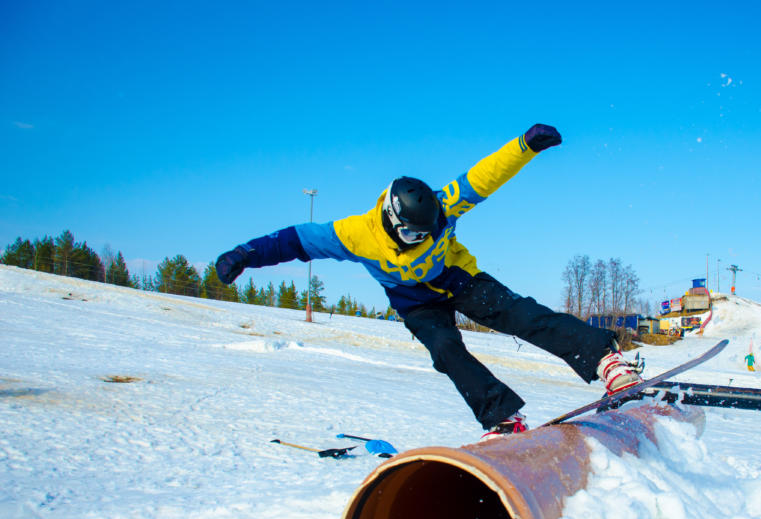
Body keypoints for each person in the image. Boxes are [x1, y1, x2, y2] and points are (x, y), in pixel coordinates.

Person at [214, 124, 641, 439]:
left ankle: (607, 360)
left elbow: (484, 176)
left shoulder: (443, 204)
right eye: (421, 233)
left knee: (521, 315)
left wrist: (524, 146)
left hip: (458, 277)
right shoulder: (354, 234)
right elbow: (292, 240)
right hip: (414, 301)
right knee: (445, 350)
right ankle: (502, 418)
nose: (432, 233)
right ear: (396, 224)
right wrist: (246, 254)